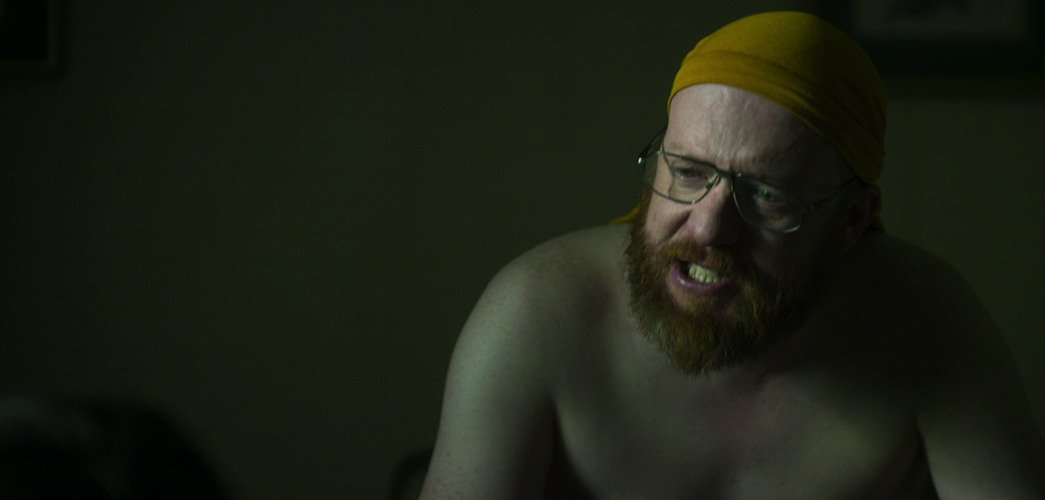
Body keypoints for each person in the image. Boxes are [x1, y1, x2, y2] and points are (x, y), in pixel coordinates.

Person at [420, 11, 1045, 499]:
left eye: (767, 194)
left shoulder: (927, 325)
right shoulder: (537, 312)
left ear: (853, 220)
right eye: (688, 173)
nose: (709, 228)